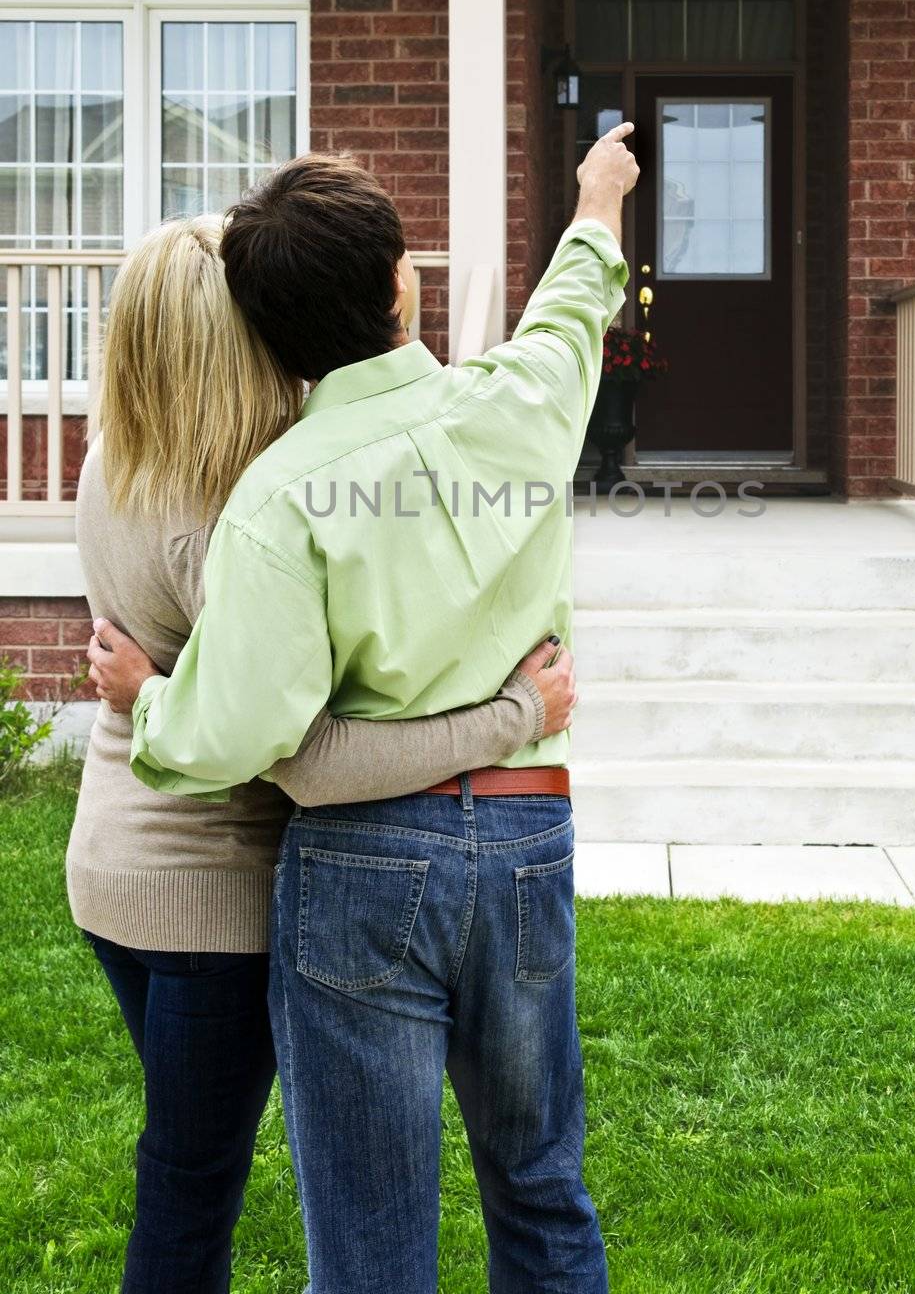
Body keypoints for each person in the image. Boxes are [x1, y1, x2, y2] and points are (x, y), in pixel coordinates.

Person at [89, 123, 638, 1293]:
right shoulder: (522, 401)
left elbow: (237, 741)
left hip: (360, 867)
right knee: (541, 1187)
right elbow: (572, 305)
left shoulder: (275, 499)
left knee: (372, 1238)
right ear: (404, 283)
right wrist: (597, 196)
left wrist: (152, 702)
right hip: (528, 834)